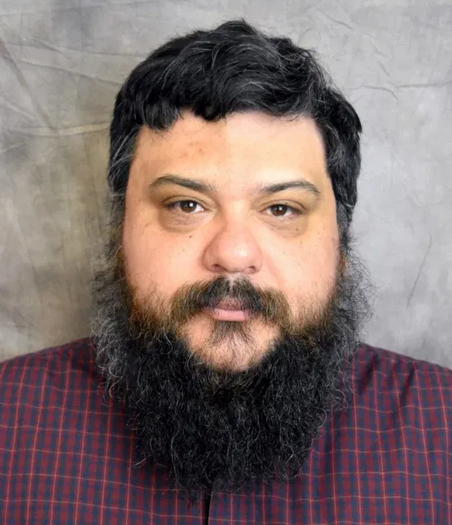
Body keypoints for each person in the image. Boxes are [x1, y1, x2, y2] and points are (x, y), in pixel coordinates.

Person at [1, 19, 451, 525]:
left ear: (340, 246)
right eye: (186, 204)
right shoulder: (9, 426)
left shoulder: (442, 437)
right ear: (119, 235)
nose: (234, 254)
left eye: (281, 209)